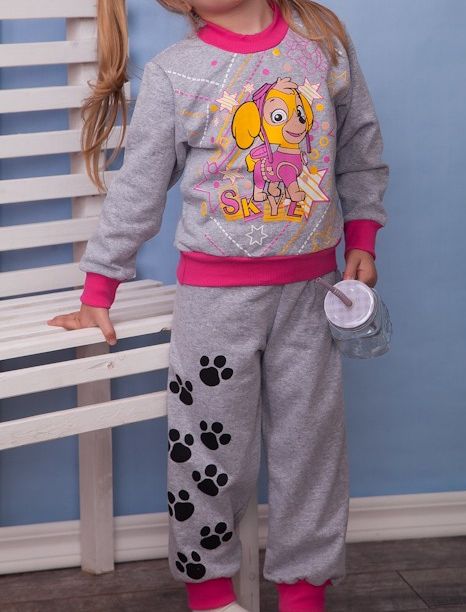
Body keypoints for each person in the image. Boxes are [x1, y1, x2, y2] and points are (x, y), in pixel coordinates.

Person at [48, 0, 389, 610]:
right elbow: (139, 186)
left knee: (311, 448)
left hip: (312, 292)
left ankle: (304, 590)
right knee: (206, 449)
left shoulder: (323, 45)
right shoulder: (175, 72)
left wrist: (362, 235)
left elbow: (360, 147)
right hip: (213, 303)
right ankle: (209, 592)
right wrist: (100, 287)